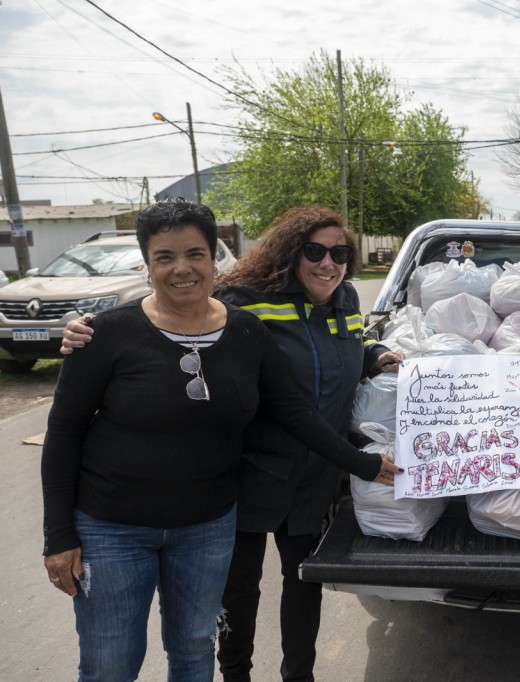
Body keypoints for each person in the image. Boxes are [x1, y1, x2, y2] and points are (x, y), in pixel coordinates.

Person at [43, 199, 400, 682]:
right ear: (146, 264)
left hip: (259, 499)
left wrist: (372, 373)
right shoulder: (130, 329)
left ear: (214, 257)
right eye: (164, 257)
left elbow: (310, 389)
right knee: (129, 653)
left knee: (216, 638)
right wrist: (59, 537)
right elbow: (66, 432)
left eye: (195, 254)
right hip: (177, 503)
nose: (328, 263)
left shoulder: (295, 317)